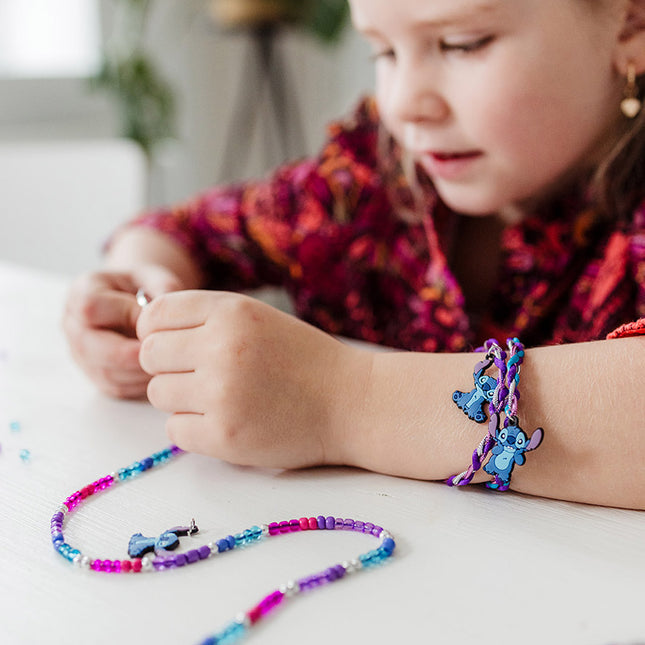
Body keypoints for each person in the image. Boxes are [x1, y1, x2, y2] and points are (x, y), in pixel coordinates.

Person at [64, 0, 645, 510]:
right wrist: (140, 280)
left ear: (630, 20)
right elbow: (183, 229)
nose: (406, 104)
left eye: (462, 44)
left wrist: (341, 398)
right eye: (384, 52)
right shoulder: (367, 179)